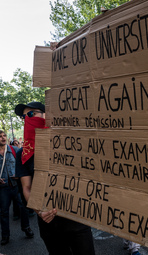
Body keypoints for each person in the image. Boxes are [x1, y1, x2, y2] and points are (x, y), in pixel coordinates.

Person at [15, 101, 95, 255]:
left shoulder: (67, 142)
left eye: (31, 114)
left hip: (76, 219)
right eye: (23, 117)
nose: (27, 119)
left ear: (47, 115)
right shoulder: (22, 153)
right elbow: (26, 187)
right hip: (48, 223)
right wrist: (39, 211)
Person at [0, 130, 33, 245]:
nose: (3, 138)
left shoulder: (14, 150)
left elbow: (24, 161)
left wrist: (21, 175)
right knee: (4, 212)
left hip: (16, 186)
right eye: (0, 136)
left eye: (4, 136)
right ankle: (5, 235)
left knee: (23, 207)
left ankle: (27, 228)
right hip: (3, 188)